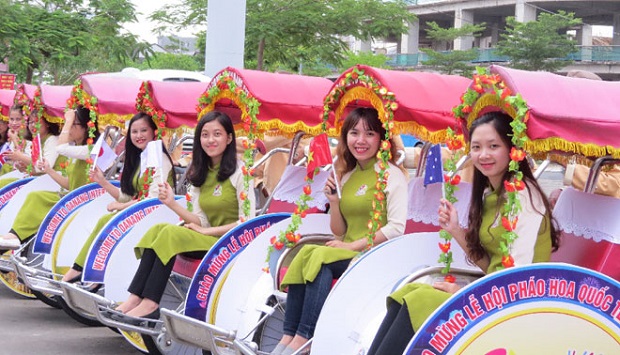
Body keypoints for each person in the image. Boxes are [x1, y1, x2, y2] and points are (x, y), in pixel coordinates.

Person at [366, 111, 559, 355]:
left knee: (421, 300)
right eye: (476, 147)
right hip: (492, 292)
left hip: (517, 303)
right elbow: (489, 265)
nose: (483, 155)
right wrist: (455, 229)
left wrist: (461, 293)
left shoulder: (524, 196)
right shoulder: (491, 194)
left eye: (493, 146)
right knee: (410, 291)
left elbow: (515, 276)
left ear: (512, 150)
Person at [270, 107, 408, 355]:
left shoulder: (392, 175)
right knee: (306, 253)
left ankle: (305, 337)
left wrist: (351, 246)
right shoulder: (347, 175)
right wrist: (334, 202)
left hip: (376, 256)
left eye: (369, 133)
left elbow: (396, 228)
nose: (361, 140)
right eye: (354, 133)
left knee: (320, 258)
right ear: (345, 138)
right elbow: (339, 231)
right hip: (346, 254)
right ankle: (289, 334)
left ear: (381, 139)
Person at [112, 110, 255, 320]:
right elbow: (199, 219)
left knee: (170, 233)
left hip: (229, 242)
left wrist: (207, 230)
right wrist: (170, 202)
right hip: (206, 237)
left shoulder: (241, 172)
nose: (210, 140)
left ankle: (150, 303)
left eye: (217, 134)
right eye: (204, 135)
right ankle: (135, 297)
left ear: (229, 138)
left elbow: (247, 222)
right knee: (158, 229)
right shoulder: (200, 171)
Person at [62, 112, 176, 282]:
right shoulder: (141, 159)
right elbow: (126, 196)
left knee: (105, 221)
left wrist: (120, 207)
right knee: (105, 219)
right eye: (134, 132)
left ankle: (79, 270)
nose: (138, 136)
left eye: (143, 130)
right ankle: (85, 270)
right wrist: (103, 182)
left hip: (157, 217)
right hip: (140, 214)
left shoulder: (159, 159)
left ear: (154, 132)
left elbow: (153, 200)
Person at [0, 107, 96, 251]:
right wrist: (49, 170)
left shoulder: (90, 150)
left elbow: (61, 148)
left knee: (36, 196)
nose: (67, 128)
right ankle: (14, 236)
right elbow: (69, 183)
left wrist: (69, 118)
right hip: (70, 195)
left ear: (85, 127)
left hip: (81, 201)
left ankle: (16, 237)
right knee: (35, 196)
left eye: (71, 124)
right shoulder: (77, 149)